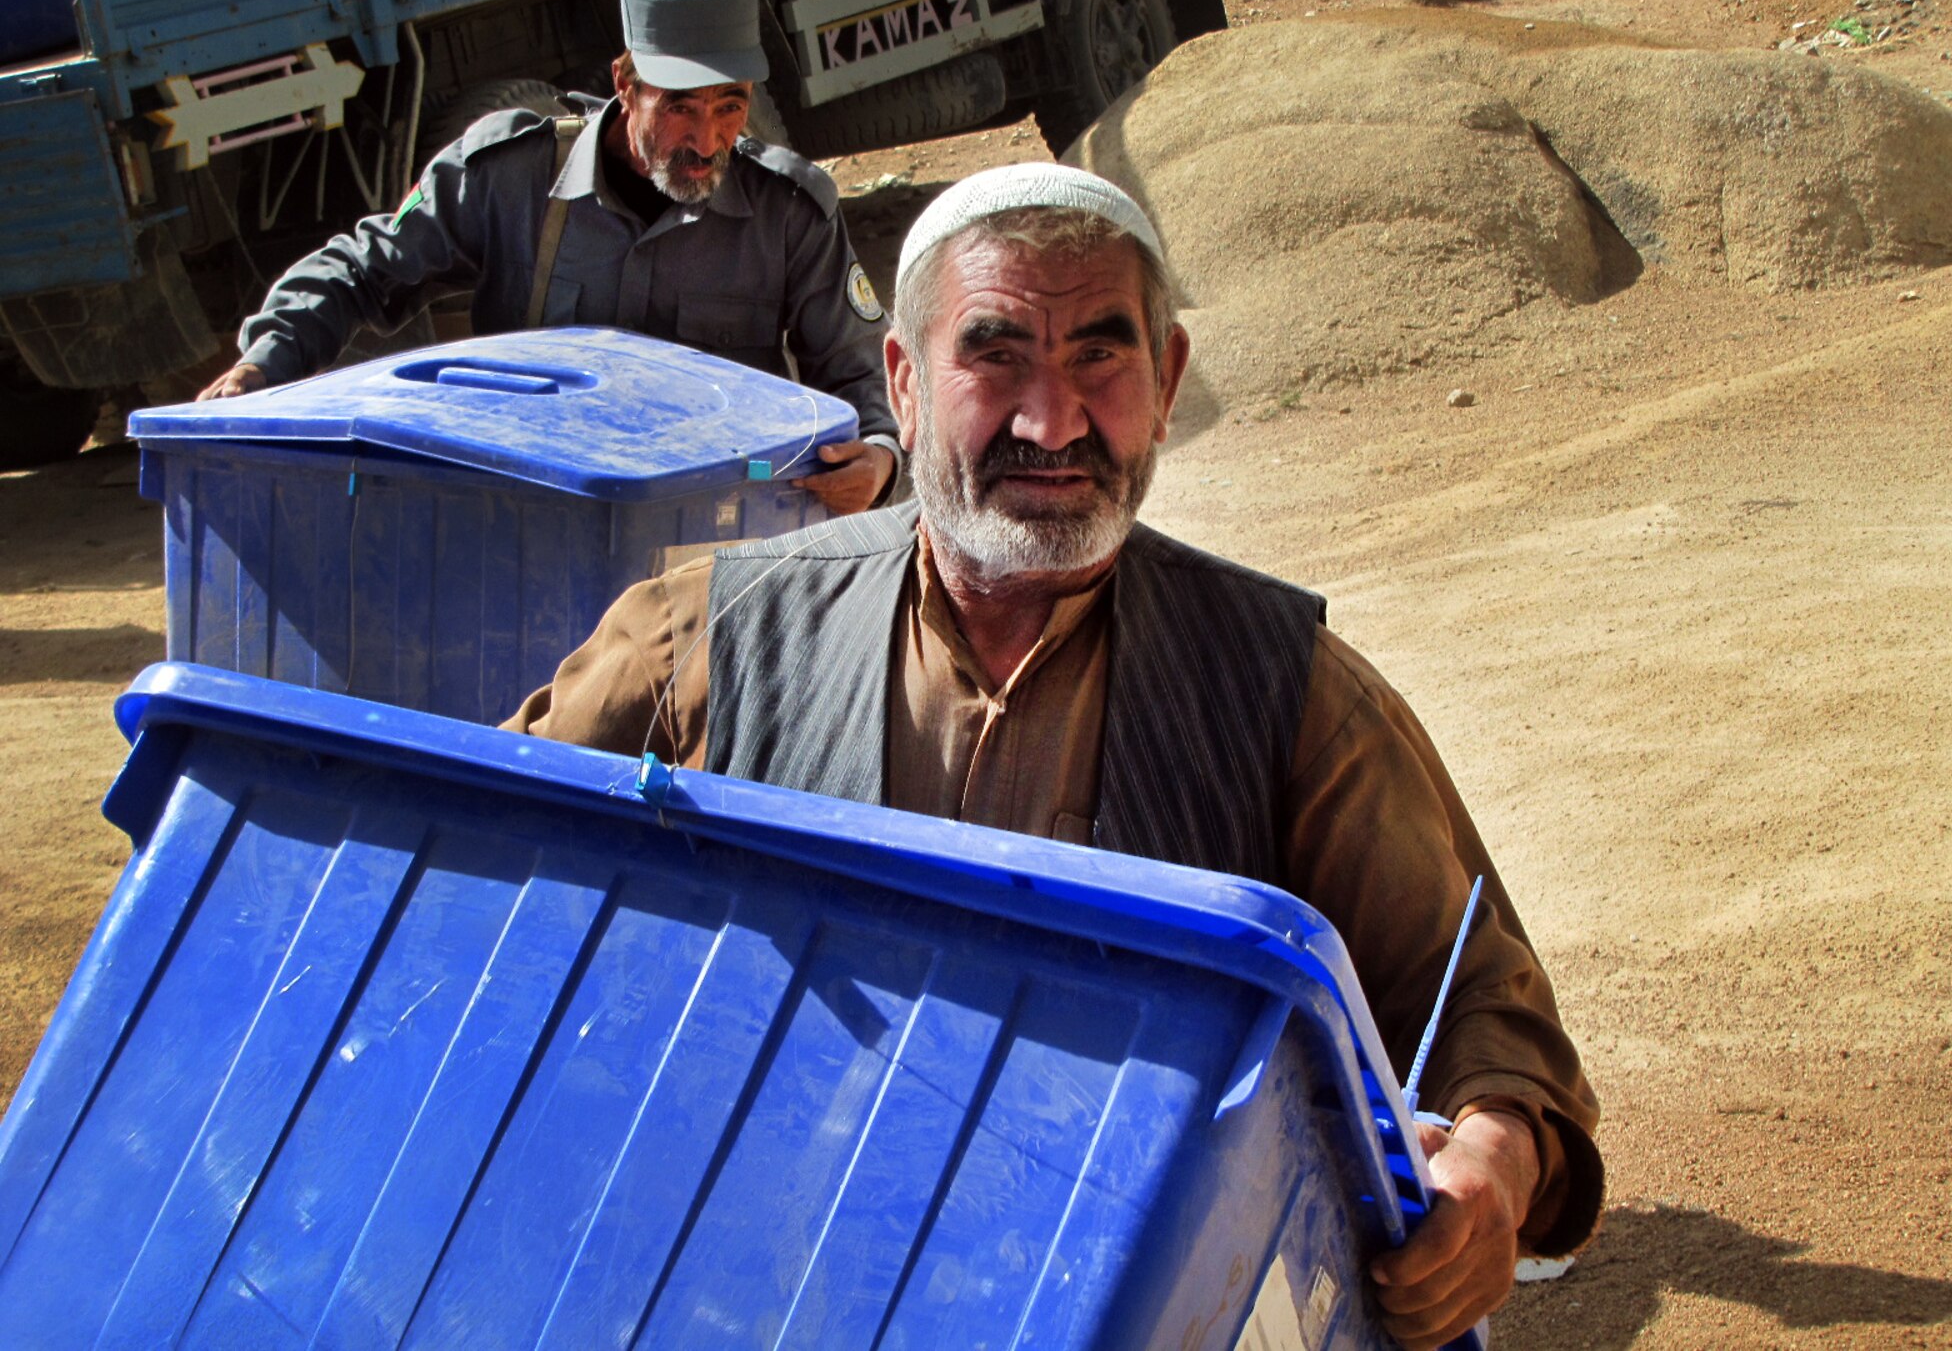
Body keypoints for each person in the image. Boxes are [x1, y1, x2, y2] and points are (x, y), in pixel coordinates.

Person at [504, 163, 1603, 1349]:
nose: (1050, 421)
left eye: (1098, 355)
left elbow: (1483, 1010)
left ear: (1166, 380)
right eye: (995, 355)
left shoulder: (1287, 692)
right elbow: (467, 884)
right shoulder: (703, 642)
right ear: (903, 385)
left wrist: (1490, 1156)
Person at [199, 0, 897, 515]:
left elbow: (861, 373)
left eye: (730, 107)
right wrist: (265, 363)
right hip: (538, 520)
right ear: (625, 84)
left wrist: (879, 456)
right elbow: (364, 269)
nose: (706, 139)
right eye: (679, 107)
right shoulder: (511, 178)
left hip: (709, 533)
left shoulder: (789, 213)